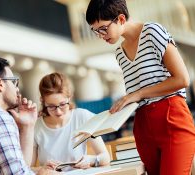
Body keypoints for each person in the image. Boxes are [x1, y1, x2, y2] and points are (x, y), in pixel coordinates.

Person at [86, 0, 195, 175]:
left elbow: (182, 79)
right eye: (95, 31)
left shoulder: (152, 32)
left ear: (121, 19)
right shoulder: (119, 54)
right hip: (143, 125)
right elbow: (136, 95)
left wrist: (137, 94)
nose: (100, 35)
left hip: (172, 118)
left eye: (103, 29)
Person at [32, 72, 110, 170]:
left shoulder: (82, 117)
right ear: (43, 102)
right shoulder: (35, 127)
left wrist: (91, 160)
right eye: (51, 106)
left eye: (63, 104)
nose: (58, 111)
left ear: (69, 98)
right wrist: (42, 169)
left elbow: (105, 157)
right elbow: (27, 169)